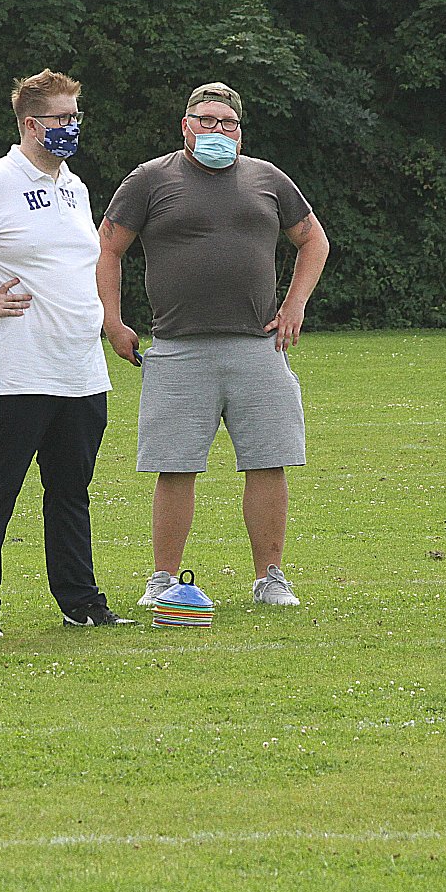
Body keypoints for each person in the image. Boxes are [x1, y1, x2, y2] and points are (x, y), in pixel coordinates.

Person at [0, 69, 133, 636]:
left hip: (79, 369)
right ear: (32, 124)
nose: (72, 126)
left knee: (71, 492)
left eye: (76, 116)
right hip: (16, 371)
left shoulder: (75, 186)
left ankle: (80, 601)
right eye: (62, 118)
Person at [99, 82, 329, 608]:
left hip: (259, 346)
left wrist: (294, 305)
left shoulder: (268, 178)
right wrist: (112, 321)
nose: (217, 129)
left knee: (268, 461)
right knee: (175, 465)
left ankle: (270, 578)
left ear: (240, 131)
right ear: (186, 126)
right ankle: (163, 579)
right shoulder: (150, 179)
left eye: (228, 122)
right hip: (177, 347)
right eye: (206, 120)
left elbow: (313, 239)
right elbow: (109, 248)